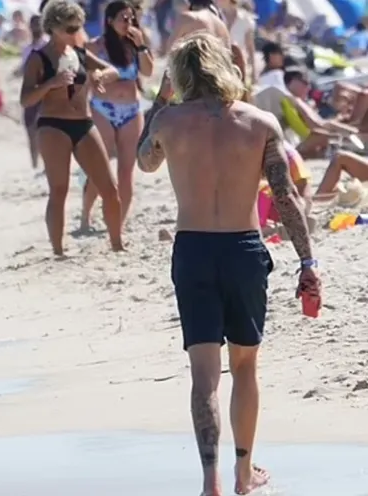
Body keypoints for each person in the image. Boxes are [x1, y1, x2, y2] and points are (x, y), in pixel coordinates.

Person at [137, 33, 320, 496]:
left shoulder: (168, 121)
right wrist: (307, 260)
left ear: (179, 76)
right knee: (244, 367)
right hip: (242, 251)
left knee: (203, 377)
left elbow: (144, 163)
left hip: (194, 251)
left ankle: (208, 482)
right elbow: (285, 197)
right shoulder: (259, 122)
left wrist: (160, 101)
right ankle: (243, 474)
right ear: (227, 68)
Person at [21, 0, 123, 255]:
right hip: (53, 125)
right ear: (53, 27)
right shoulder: (39, 58)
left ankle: (117, 244)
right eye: (69, 28)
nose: (74, 31)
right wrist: (50, 84)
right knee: (59, 190)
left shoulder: (78, 53)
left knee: (109, 188)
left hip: (84, 123)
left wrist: (100, 76)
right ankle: (58, 250)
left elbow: (113, 71)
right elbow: (25, 99)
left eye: (77, 26)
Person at [80, 0, 154, 232]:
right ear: (109, 21)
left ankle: (117, 224)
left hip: (131, 110)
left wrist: (141, 45)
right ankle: (85, 215)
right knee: (100, 168)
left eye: (131, 18)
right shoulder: (95, 46)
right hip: (103, 108)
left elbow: (148, 71)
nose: (128, 23)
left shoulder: (134, 46)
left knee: (126, 170)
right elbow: (85, 77)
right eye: (123, 18)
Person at [13, 14, 48, 170]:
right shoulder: (27, 48)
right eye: (33, 24)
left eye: (38, 24)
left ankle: (46, 165)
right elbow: (24, 68)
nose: (35, 28)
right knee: (30, 129)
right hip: (29, 92)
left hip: (45, 93)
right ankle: (34, 165)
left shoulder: (47, 45)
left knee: (44, 130)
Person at [219, 0, 256, 83]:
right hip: (220, 65)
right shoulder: (216, 16)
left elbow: (250, 47)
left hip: (240, 67)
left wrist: (253, 71)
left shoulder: (245, 19)